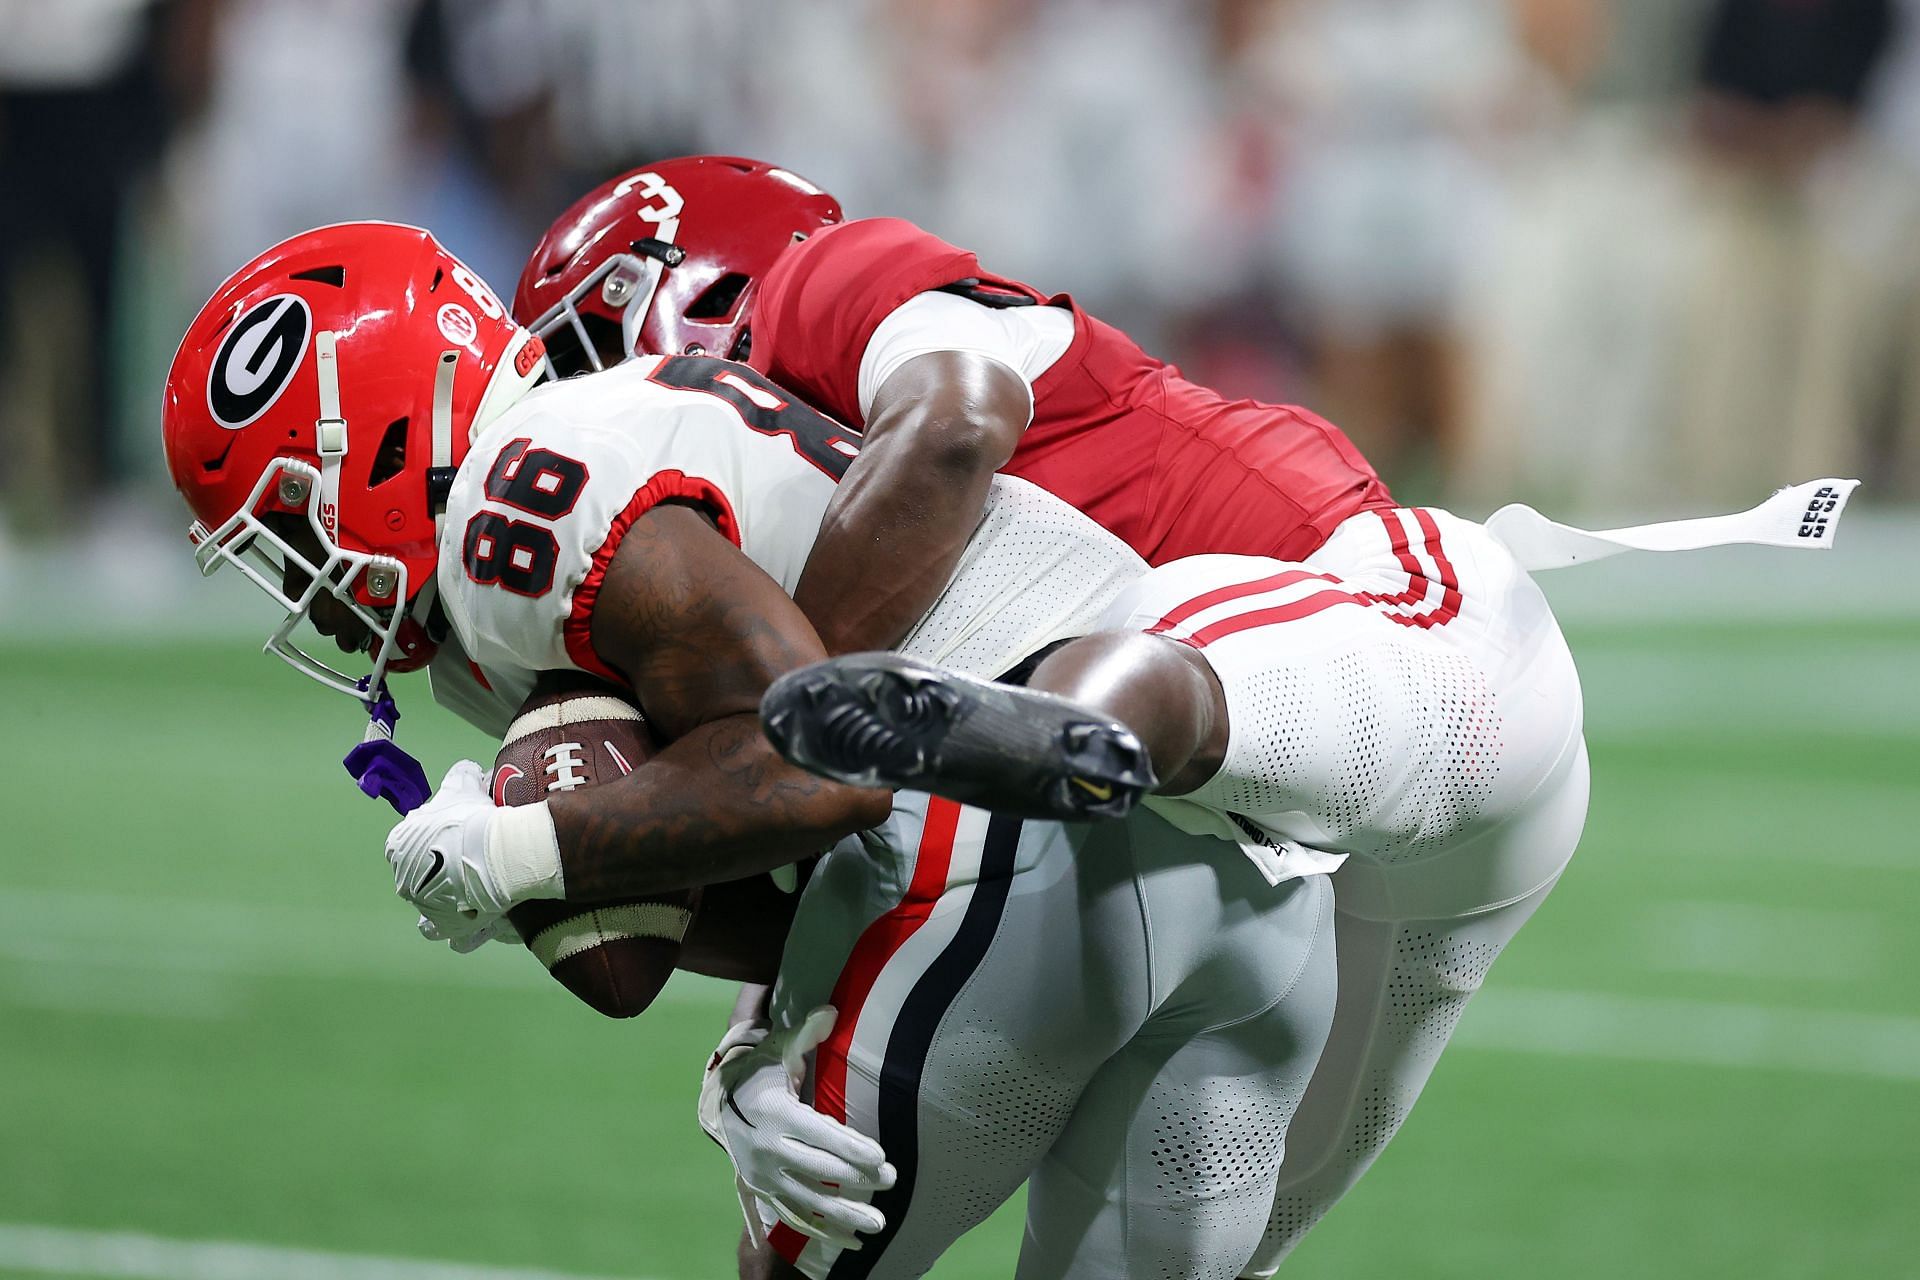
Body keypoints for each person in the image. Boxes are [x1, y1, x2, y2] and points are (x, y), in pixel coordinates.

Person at [513, 155, 1858, 1275]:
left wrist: (741, 763)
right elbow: (860, 827)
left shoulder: (835, 292)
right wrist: (761, 1039)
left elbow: (946, 448)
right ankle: (1073, 738)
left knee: (1147, 675)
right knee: (1213, 1238)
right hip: (1288, 868)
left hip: (1395, 630)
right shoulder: (828, 546)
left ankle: (1079, 727)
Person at [158, 221, 1340, 1279]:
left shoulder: (504, 516)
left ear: (366, 434)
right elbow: (770, 872)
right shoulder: (595, 442)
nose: (312, 602)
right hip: (1253, 868)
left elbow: (826, 761)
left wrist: (523, 849)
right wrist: (719, 1027)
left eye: (288, 522)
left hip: (1028, 843)